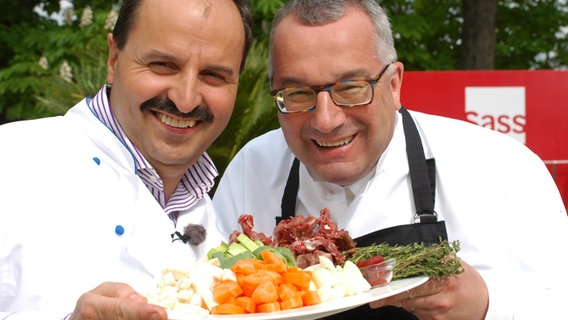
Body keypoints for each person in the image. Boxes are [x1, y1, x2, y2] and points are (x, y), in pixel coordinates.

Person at [213, 0, 568, 319]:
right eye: (297, 93)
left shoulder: (502, 168)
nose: (325, 120)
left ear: (395, 84)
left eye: (351, 88)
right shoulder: (251, 169)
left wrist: (488, 306)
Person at [0, 0, 252, 319]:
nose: (186, 100)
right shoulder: (10, 161)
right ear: (114, 58)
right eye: (163, 65)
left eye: (214, 75)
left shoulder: (206, 213)